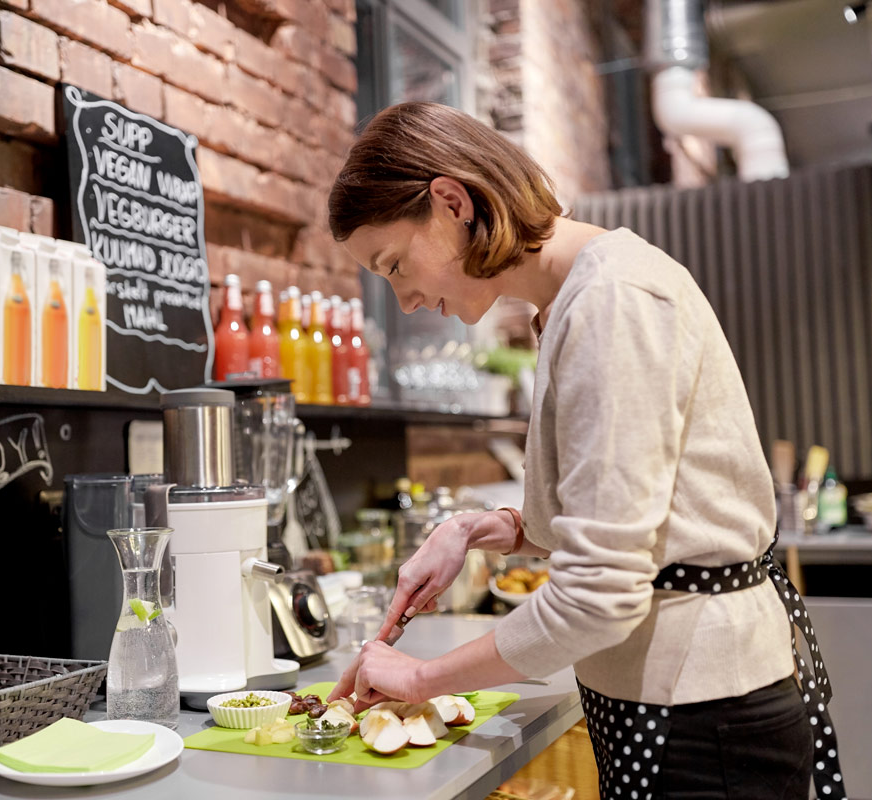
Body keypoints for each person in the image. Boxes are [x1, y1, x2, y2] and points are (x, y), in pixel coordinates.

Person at [325, 102, 845, 800]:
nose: (407, 300)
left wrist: (419, 678)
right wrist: (478, 531)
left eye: (394, 264)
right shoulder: (573, 301)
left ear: (451, 202)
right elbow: (628, 514)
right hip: (669, 699)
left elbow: (599, 595)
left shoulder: (614, 300)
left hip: (701, 712)